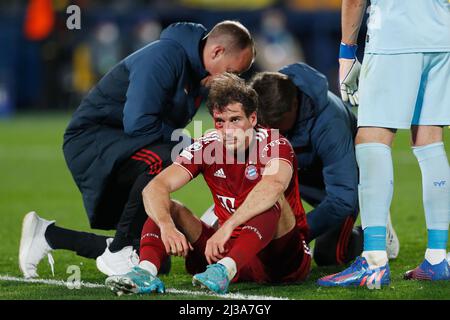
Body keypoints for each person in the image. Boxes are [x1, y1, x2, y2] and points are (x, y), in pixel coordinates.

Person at [19, 21, 255, 279]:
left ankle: (48, 235)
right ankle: (119, 249)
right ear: (216, 52)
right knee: (173, 155)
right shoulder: (163, 56)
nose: (232, 79)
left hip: (124, 143)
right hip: (93, 140)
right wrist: (190, 143)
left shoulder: (196, 74)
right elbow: (139, 123)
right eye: (232, 71)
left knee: (155, 258)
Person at [104, 73, 311, 295]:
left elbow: (273, 186)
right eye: (220, 122)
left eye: (235, 120)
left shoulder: (275, 143)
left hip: (280, 259)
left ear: (253, 119)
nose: (227, 130)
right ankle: (145, 272)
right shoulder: (207, 146)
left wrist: (228, 226)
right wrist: (167, 226)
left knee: (272, 200)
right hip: (221, 249)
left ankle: (225, 269)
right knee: (168, 206)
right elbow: (155, 187)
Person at [318, 0, 450, 287]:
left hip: (395, 37)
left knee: (371, 136)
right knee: (430, 140)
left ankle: (374, 259)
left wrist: (346, 53)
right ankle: (437, 257)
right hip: (442, 36)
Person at [247, 63, 399, 266]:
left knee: (329, 256)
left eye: (276, 123)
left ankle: (376, 232)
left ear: (294, 104)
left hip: (340, 186)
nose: (270, 130)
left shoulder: (330, 123)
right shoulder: (264, 103)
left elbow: (343, 197)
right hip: (295, 176)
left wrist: (298, 233)